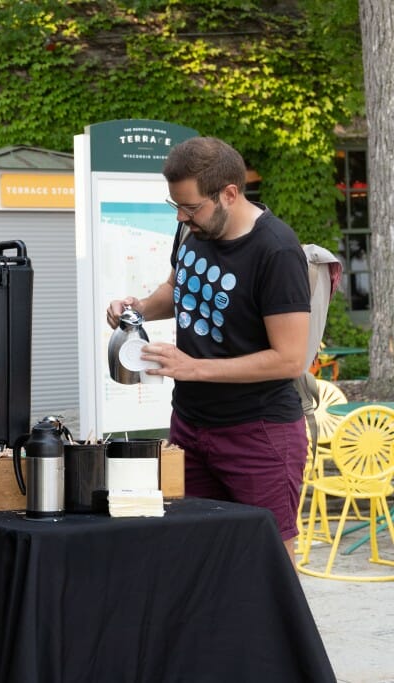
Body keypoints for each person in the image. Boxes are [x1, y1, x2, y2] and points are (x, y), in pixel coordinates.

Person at [105, 136, 310, 564]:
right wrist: (140, 306)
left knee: (268, 562)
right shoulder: (192, 227)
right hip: (191, 427)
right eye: (175, 206)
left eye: (191, 207)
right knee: (195, 556)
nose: (181, 216)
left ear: (230, 194)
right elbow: (178, 287)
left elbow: (290, 358)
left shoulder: (276, 250)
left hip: (258, 434)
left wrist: (193, 368)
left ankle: (271, 635)